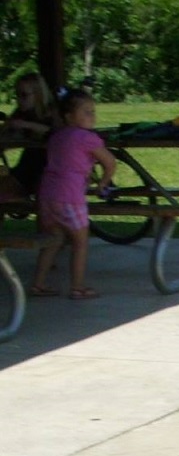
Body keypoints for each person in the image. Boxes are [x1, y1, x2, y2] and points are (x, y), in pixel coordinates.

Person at [30, 89, 115, 300]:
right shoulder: (88, 138)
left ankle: (38, 284)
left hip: (48, 195)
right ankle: (77, 287)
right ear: (69, 116)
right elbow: (110, 163)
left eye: (92, 111)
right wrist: (103, 183)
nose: (91, 116)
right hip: (70, 197)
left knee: (54, 239)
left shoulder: (57, 137)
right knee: (80, 242)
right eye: (86, 112)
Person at [0, 72, 58, 201]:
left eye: (24, 95)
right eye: (17, 95)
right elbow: (6, 137)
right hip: (25, 171)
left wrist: (26, 125)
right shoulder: (21, 114)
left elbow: (55, 134)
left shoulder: (51, 114)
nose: (19, 100)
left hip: (49, 173)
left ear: (38, 95)